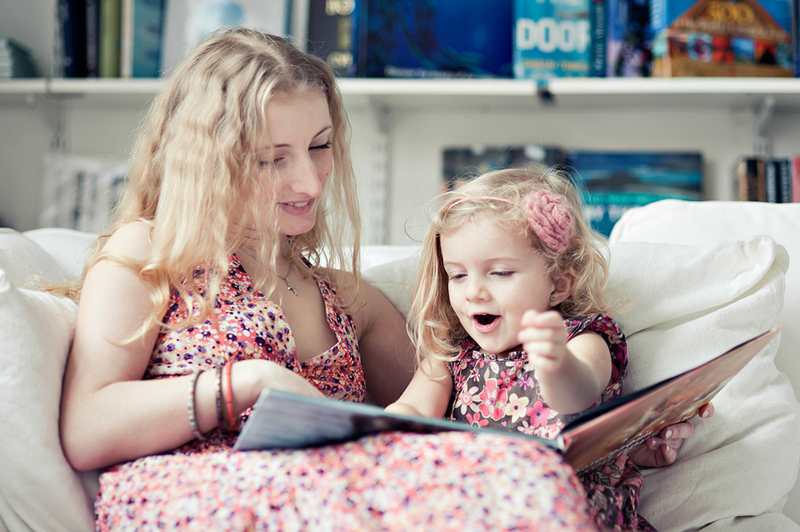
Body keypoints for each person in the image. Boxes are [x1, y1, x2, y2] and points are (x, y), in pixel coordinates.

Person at [57, 27, 612, 530]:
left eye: (319, 147)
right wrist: (246, 383)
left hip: (336, 500)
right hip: (199, 500)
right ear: (208, 162)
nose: (310, 181)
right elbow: (86, 429)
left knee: (526, 477)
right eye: (272, 159)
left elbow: (464, 400)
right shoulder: (148, 251)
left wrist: (618, 440)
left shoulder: (345, 297)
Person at [385, 166, 713, 531]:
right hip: (474, 506)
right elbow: (413, 409)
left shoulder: (581, 338)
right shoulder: (452, 355)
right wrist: (382, 430)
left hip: (564, 506)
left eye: (500, 272)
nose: (473, 292)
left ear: (558, 284)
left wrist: (554, 362)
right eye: (458, 275)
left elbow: (578, 393)